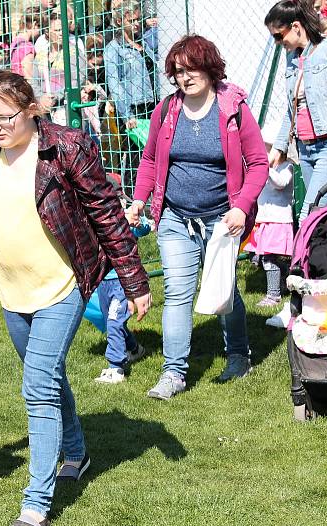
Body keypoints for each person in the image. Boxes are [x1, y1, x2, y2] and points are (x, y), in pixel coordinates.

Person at [0, 71, 151, 526]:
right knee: (47, 376)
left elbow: (107, 215)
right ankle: (76, 452)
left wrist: (134, 281)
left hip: (62, 286)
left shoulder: (67, 147)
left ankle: (35, 505)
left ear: (31, 109)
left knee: (36, 387)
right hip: (13, 292)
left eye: (5, 117)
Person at [127, 35, 267, 400]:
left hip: (222, 220)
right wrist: (141, 200)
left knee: (224, 290)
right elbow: (150, 160)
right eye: (177, 71)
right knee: (176, 293)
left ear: (208, 67)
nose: (184, 78)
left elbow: (258, 163)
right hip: (175, 218)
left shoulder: (232, 107)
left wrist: (241, 207)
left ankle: (238, 355)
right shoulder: (167, 110)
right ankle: (173, 373)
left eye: (191, 69)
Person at [267, 0, 327, 222]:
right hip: (306, 149)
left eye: (279, 36)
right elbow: (292, 109)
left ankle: (302, 258)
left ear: (297, 26)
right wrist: (279, 147)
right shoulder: (292, 57)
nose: (278, 42)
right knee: (322, 218)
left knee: (309, 215)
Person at [103, 1, 156, 192]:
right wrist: (127, 114)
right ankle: (132, 197)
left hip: (153, 104)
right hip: (133, 107)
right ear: (119, 21)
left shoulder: (144, 42)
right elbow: (114, 84)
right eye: (131, 20)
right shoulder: (113, 48)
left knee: (155, 152)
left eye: (138, 19)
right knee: (136, 155)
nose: (136, 24)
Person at [94, 209, 150, 384]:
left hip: (122, 282)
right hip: (103, 283)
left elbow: (144, 229)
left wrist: (138, 221)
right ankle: (134, 349)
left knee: (114, 321)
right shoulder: (96, 221)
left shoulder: (124, 223)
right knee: (113, 322)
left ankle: (115, 367)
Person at [244, 160, 294, 308]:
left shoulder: (287, 166)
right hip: (262, 219)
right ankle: (285, 271)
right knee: (256, 257)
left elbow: (280, 183)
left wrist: (264, 164)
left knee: (268, 259)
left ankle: (273, 295)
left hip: (278, 220)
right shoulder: (265, 167)